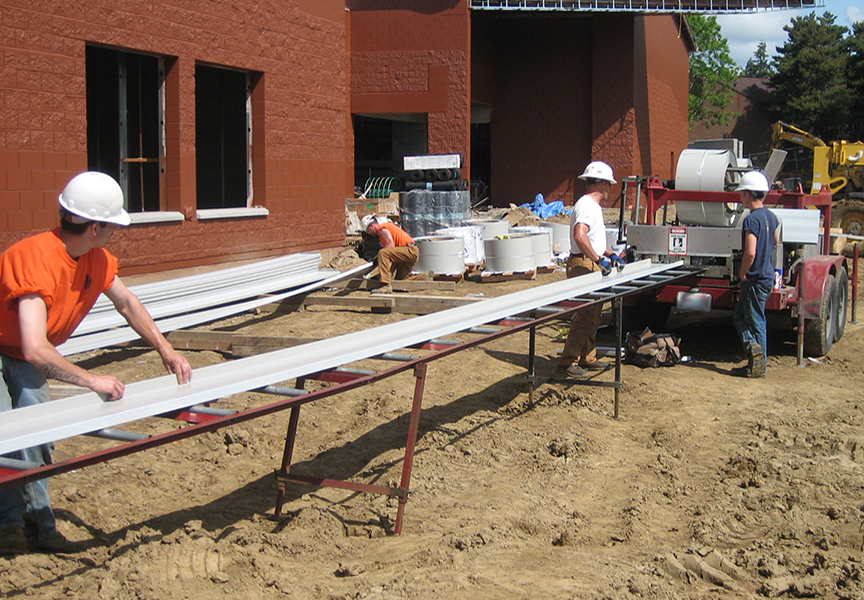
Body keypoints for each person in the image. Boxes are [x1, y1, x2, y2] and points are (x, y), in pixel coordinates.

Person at [0, 171, 193, 555]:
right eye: (112, 226)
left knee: (38, 432)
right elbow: (36, 348)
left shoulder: (95, 259)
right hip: (13, 347)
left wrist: (165, 350)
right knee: (5, 432)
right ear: (94, 226)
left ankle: (40, 525)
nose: (115, 233)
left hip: (19, 350)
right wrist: (93, 380)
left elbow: (127, 303)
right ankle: (9, 528)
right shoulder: (34, 259)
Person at [557, 161, 625, 378]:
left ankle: (588, 358)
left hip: (589, 261)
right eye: (609, 185)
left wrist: (610, 254)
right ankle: (568, 361)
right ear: (603, 184)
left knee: (594, 314)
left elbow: (592, 239)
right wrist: (597, 258)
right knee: (586, 315)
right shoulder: (587, 205)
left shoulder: (592, 206)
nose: (609, 190)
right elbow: (580, 235)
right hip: (583, 264)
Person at [732, 170, 779, 378]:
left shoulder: (751, 220)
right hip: (767, 276)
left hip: (754, 279)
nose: (740, 197)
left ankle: (756, 354)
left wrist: (743, 273)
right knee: (740, 315)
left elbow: (750, 251)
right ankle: (755, 361)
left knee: (756, 320)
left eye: (742, 193)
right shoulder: (771, 217)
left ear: (750, 195)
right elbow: (776, 241)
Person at [361, 215, 420, 294]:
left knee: (382, 253)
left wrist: (378, 258)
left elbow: (390, 246)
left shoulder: (383, 228)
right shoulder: (388, 228)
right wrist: (383, 275)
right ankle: (424, 278)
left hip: (409, 250)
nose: (370, 234)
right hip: (410, 251)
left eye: (368, 231)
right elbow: (393, 257)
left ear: (371, 225)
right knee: (400, 281)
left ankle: (386, 286)